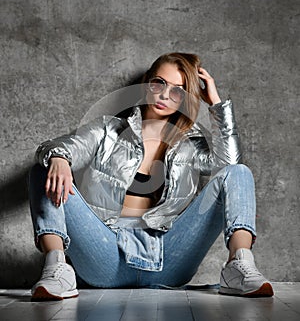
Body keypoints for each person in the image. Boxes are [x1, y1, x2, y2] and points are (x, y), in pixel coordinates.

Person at [29, 52, 273, 300]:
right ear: (147, 84)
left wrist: (216, 104)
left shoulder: (193, 142)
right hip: (104, 257)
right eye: (159, 83)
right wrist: (59, 157)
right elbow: (56, 148)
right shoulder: (108, 129)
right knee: (45, 168)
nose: (165, 95)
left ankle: (240, 264)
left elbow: (229, 168)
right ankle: (56, 267)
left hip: (170, 259)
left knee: (239, 172)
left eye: (178, 90)